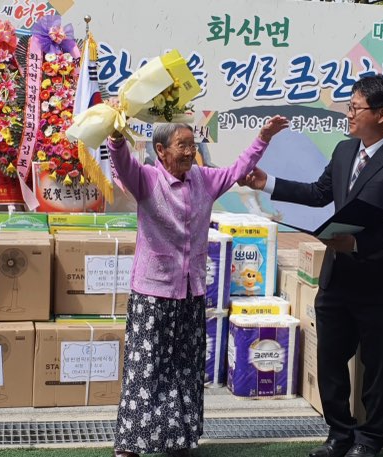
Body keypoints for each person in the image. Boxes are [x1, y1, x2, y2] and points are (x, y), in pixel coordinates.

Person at [239, 75, 383, 457]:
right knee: (329, 362)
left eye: (356, 108)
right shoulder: (345, 151)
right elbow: (319, 193)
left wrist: (358, 242)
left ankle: (370, 440)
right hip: (337, 279)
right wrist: (267, 183)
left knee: (377, 370)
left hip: (381, 286)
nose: (349, 114)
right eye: (349, 106)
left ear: (381, 114)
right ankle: (339, 434)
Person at [108, 115, 289, 457]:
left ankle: (178, 439)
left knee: (187, 368)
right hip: (153, 293)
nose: (191, 152)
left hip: (191, 292)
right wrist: (116, 138)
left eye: (193, 145)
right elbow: (122, 161)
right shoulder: (146, 179)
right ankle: (131, 443)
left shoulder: (203, 180)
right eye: (183, 145)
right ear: (161, 150)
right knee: (146, 367)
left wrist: (263, 137)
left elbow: (238, 169)